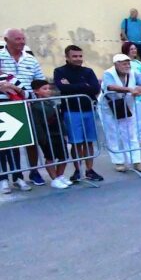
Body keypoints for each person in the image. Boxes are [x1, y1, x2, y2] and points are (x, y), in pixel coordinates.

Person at [1, 28, 47, 186]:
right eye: (17, 39)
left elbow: (40, 82)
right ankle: (7, 177)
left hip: (28, 104)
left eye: (23, 38)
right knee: (6, 143)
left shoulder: (31, 59)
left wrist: (34, 92)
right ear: (6, 40)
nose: (21, 42)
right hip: (5, 106)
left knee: (32, 140)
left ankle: (32, 173)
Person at [53, 45, 102, 182]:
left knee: (89, 142)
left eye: (80, 56)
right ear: (67, 57)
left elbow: (95, 88)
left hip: (88, 110)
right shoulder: (59, 71)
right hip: (71, 111)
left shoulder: (88, 71)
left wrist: (73, 86)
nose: (78, 59)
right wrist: (84, 86)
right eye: (74, 56)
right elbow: (62, 87)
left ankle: (89, 170)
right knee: (76, 143)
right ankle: (77, 171)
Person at [99, 54, 141, 173]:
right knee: (113, 134)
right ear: (116, 64)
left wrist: (140, 89)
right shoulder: (108, 73)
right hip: (109, 106)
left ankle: (136, 161)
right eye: (123, 63)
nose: (127, 66)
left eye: (128, 63)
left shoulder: (133, 73)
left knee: (131, 133)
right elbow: (110, 86)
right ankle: (119, 162)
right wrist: (129, 89)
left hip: (127, 105)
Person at [29, 80, 70, 188]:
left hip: (58, 133)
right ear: (36, 91)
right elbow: (37, 124)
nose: (48, 91)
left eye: (49, 88)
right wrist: (42, 138)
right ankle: (54, 178)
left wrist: (64, 132)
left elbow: (59, 119)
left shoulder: (52, 102)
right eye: (44, 89)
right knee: (50, 157)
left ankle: (60, 176)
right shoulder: (35, 106)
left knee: (63, 156)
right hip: (48, 136)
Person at [0, 69, 31, 193]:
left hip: (12, 116)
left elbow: (29, 95)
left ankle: (18, 177)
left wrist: (14, 87)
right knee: (1, 150)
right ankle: (3, 179)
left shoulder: (10, 78)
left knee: (15, 148)